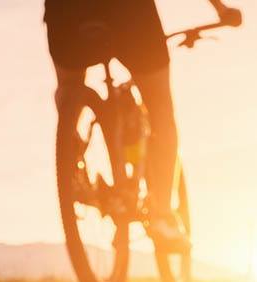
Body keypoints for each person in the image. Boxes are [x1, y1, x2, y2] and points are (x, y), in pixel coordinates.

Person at [45, 0, 242, 252]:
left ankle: (71, 164)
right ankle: (161, 214)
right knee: (160, 107)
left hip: (65, 12)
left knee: (68, 88)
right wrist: (220, 9)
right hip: (128, 13)